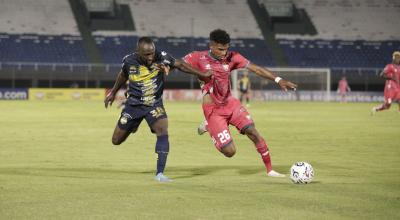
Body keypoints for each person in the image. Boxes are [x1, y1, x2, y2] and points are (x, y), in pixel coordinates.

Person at [183, 29, 297, 178]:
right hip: (213, 110)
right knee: (230, 152)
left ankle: (270, 170)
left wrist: (278, 80)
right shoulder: (198, 57)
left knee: (253, 132)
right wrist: (171, 67)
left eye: (226, 49)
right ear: (211, 45)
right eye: (220, 49)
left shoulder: (233, 57)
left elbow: (255, 68)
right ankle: (209, 126)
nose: (224, 53)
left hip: (230, 103)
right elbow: (179, 64)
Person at [105, 37, 211, 182]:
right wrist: (113, 92)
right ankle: (132, 126)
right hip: (133, 105)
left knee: (162, 130)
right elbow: (123, 75)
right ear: (138, 52)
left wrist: (202, 73)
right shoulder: (129, 60)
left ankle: (160, 173)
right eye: (147, 54)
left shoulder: (162, 57)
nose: (151, 57)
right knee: (116, 140)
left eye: (152, 53)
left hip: (154, 105)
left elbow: (180, 64)